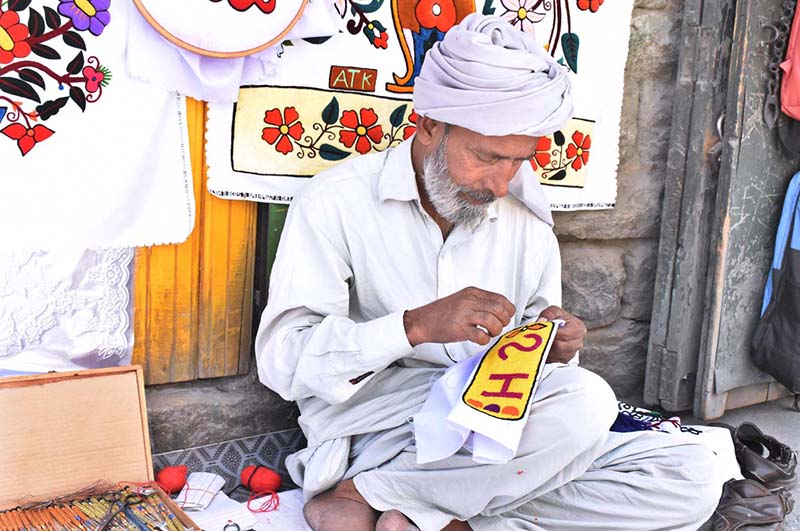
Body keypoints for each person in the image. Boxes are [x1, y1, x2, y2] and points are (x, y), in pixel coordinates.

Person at [255, 14, 724, 531]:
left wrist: (553, 344)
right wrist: (412, 327)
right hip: (382, 426)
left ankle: (384, 500)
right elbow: (282, 361)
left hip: (492, 435)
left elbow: (539, 376)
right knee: (588, 405)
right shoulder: (335, 203)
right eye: (486, 157)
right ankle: (420, 503)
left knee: (692, 474)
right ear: (429, 126)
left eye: (518, 161)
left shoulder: (526, 221)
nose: (501, 185)